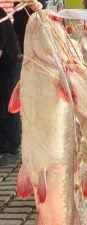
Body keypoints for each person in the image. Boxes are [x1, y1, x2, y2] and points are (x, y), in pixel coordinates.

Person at [0, 7, 22, 156]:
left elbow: (1, 42)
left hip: (10, 62)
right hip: (8, 61)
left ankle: (10, 146)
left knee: (8, 104)